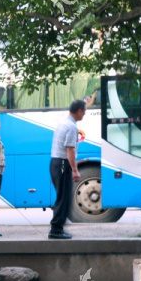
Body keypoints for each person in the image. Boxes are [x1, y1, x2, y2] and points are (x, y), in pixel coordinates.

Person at [48, 100, 86, 239]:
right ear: (79, 111)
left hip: (56, 162)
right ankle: (56, 230)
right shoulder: (71, 127)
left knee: (62, 197)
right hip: (63, 164)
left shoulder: (63, 123)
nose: (84, 114)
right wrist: (75, 169)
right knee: (64, 198)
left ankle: (57, 228)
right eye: (84, 111)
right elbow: (69, 149)